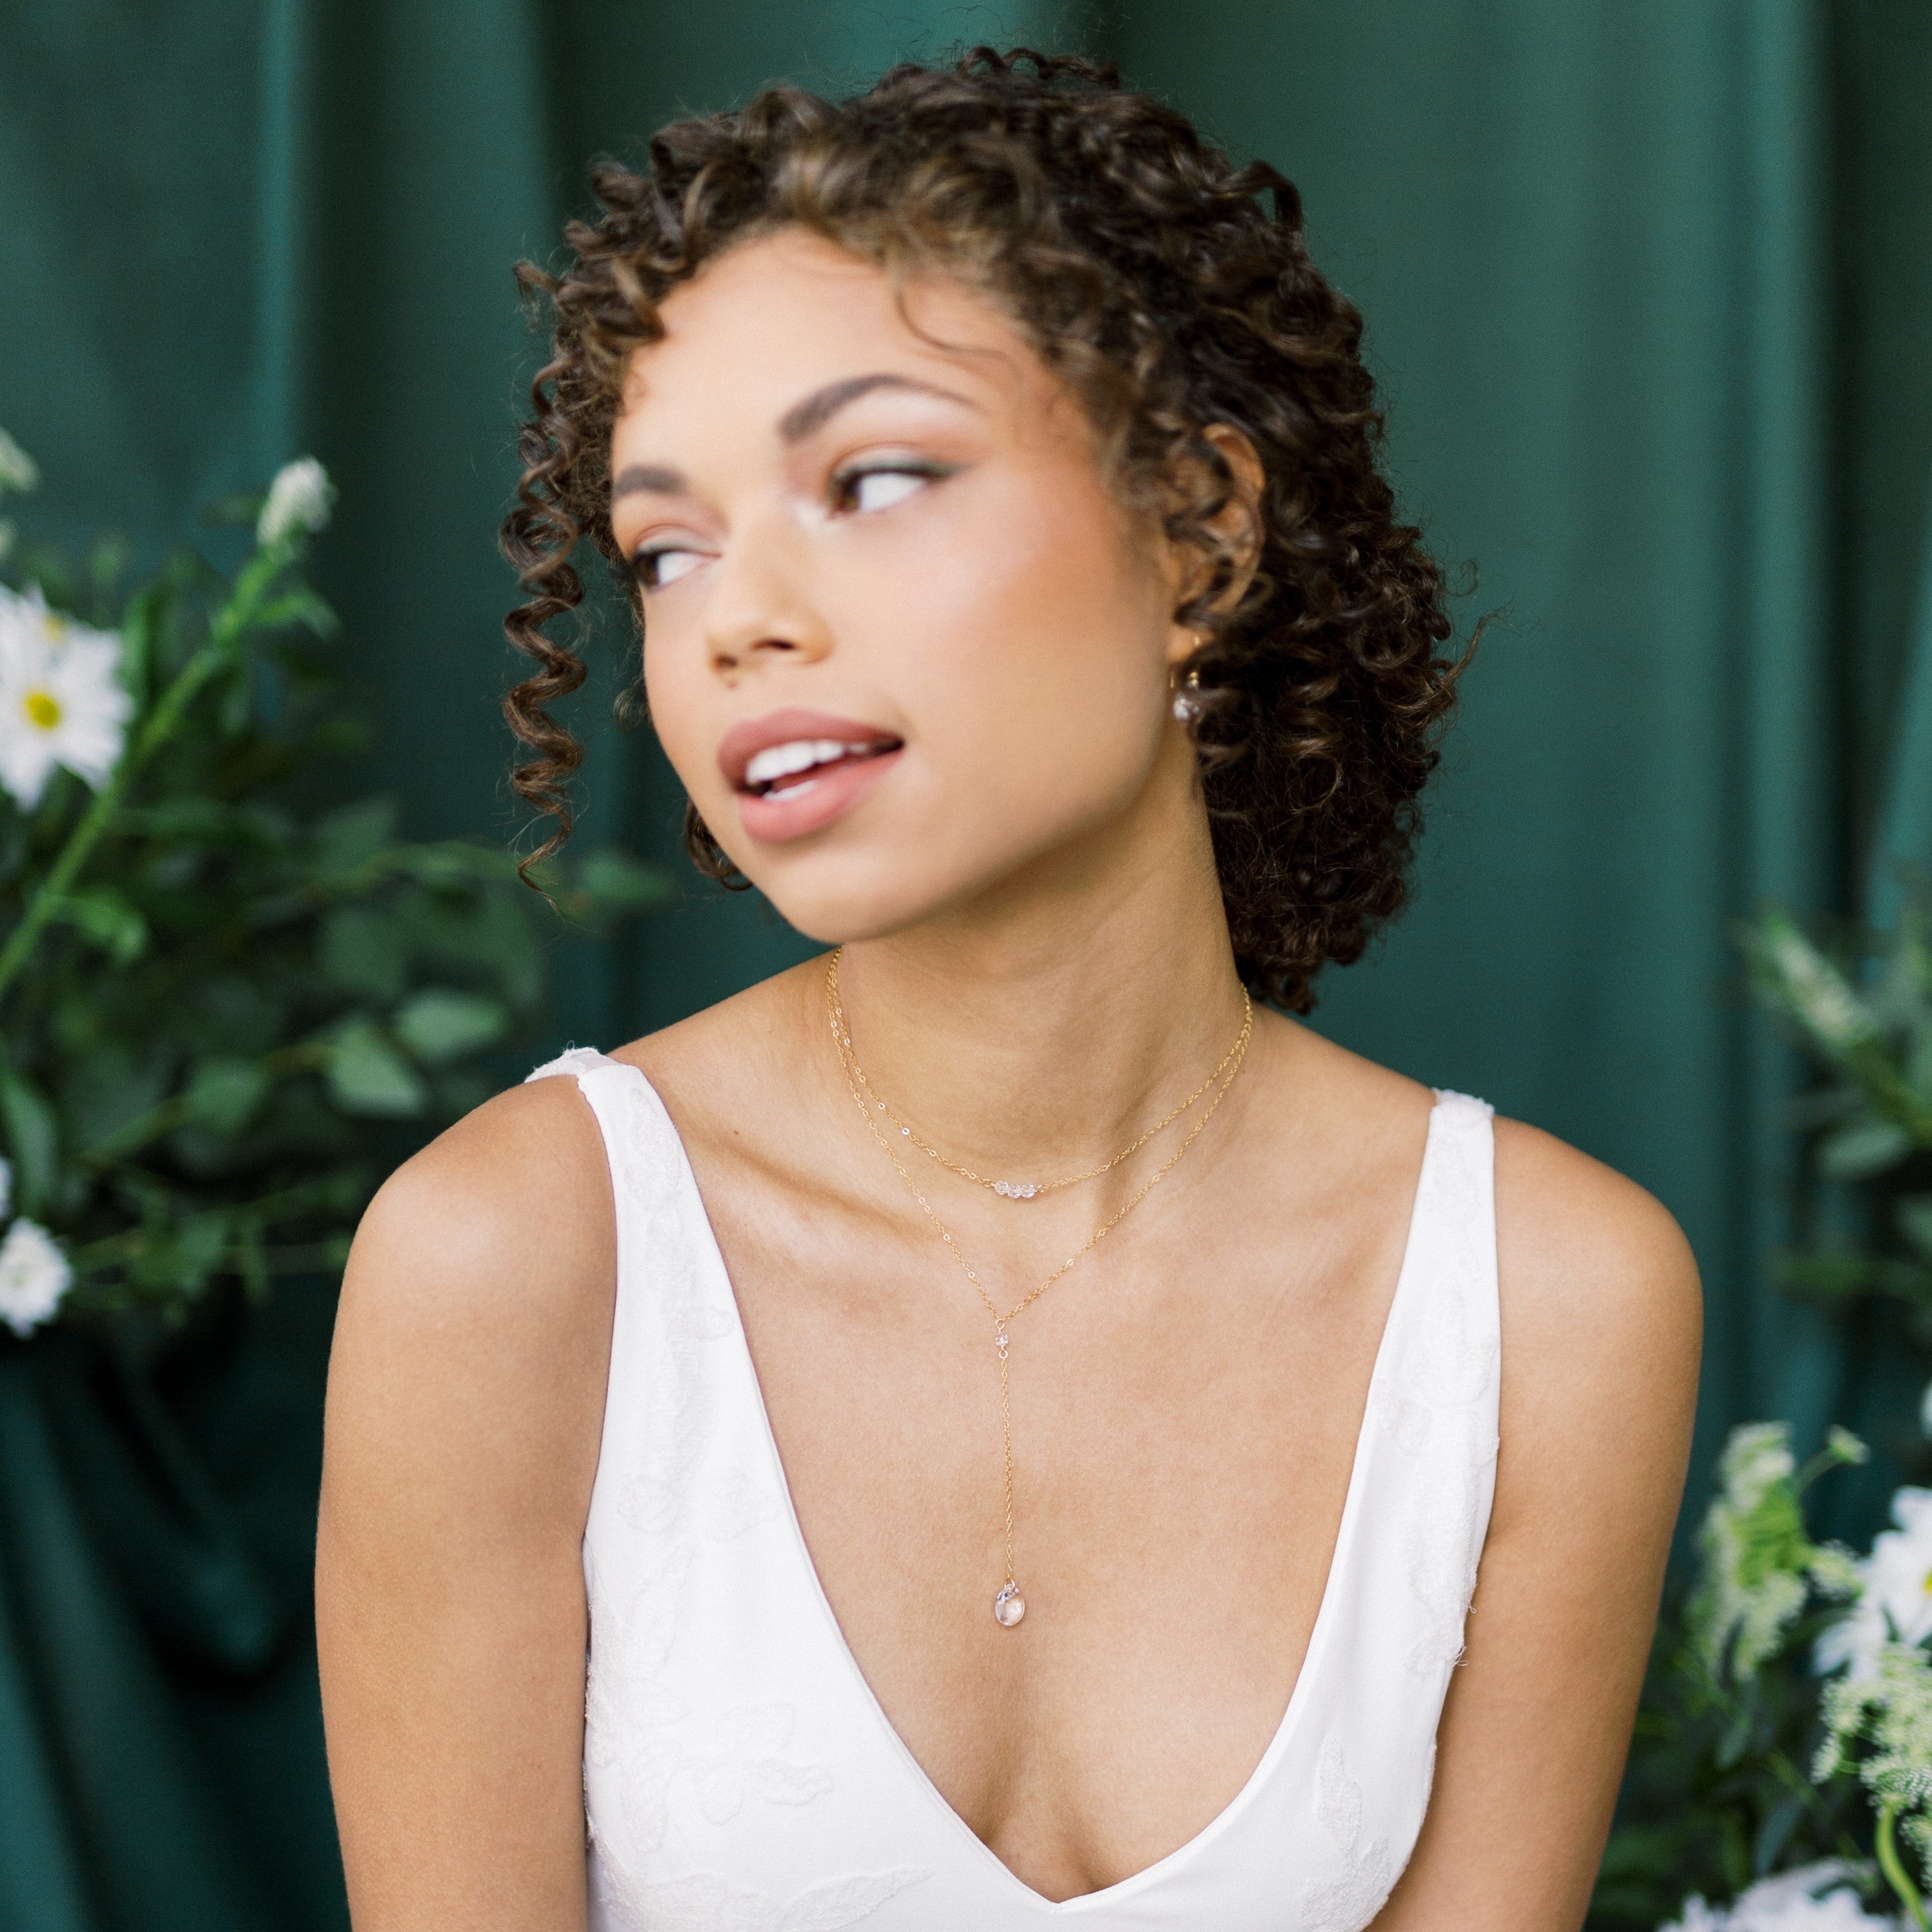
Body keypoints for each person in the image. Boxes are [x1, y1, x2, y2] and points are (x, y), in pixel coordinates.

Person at [315, 47, 1701, 1932]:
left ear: (1199, 531)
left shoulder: (1556, 1301)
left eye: (872, 478)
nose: (736, 620)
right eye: (666, 547)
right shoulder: (513, 1261)